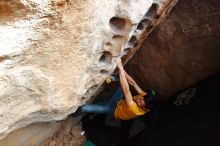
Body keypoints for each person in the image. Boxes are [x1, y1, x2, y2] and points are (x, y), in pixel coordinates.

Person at [72, 58, 156, 121]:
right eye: (142, 97)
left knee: (84, 108)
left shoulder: (135, 110)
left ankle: (72, 116)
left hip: (113, 110)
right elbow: (133, 83)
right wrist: (123, 70)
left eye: (142, 101)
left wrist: (120, 66)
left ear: (145, 107)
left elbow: (126, 89)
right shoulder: (145, 98)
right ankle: (111, 78)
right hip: (120, 102)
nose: (140, 98)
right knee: (123, 82)